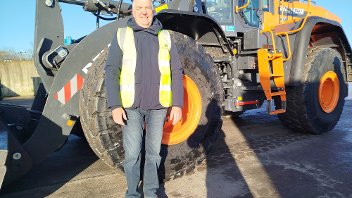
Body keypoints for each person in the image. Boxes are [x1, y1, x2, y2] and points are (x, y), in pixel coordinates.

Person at [104, 0, 184, 197]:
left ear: (153, 10)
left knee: (154, 154)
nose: (144, 12)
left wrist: (177, 104)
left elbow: (176, 70)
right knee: (132, 155)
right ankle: (132, 193)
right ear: (133, 11)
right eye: (139, 8)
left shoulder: (165, 37)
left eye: (147, 8)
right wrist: (115, 105)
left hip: (158, 106)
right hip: (131, 106)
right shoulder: (122, 35)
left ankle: (150, 193)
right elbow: (112, 69)